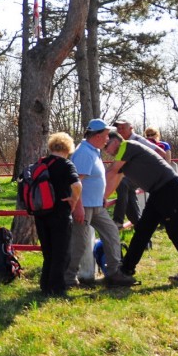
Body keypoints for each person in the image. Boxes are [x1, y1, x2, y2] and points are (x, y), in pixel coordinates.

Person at [105, 132, 178, 282]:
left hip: (168, 188)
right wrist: (103, 197)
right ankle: (126, 270)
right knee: (143, 229)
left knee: (177, 228)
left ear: (116, 141)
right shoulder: (122, 157)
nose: (105, 150)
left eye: (107, 145)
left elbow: (111, 172)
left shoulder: (126, 146)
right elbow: (115, 178)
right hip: (158, 191)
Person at [64, 119, 137, 288]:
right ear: (96, 136)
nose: (107, 140)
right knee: (79, 243)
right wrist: (78, 207)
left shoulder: (93, 151)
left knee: (111, 233)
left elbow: (95, 179)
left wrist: (101, 196)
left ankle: (114, 273)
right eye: (105, 136)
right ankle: (68, 278)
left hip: (96, 205)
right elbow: (76, 183)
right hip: (85, 206)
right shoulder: (84, 153)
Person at [31, 133, 82, 297]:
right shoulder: (67, 165)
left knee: (48, 251)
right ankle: (56, 288)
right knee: (61, 252)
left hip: (41, 213)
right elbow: (77, 184)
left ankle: (45, 285)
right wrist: (74, 200)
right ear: (68, 148)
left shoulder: (40, 163)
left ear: (52, 146)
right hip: (60, 213)